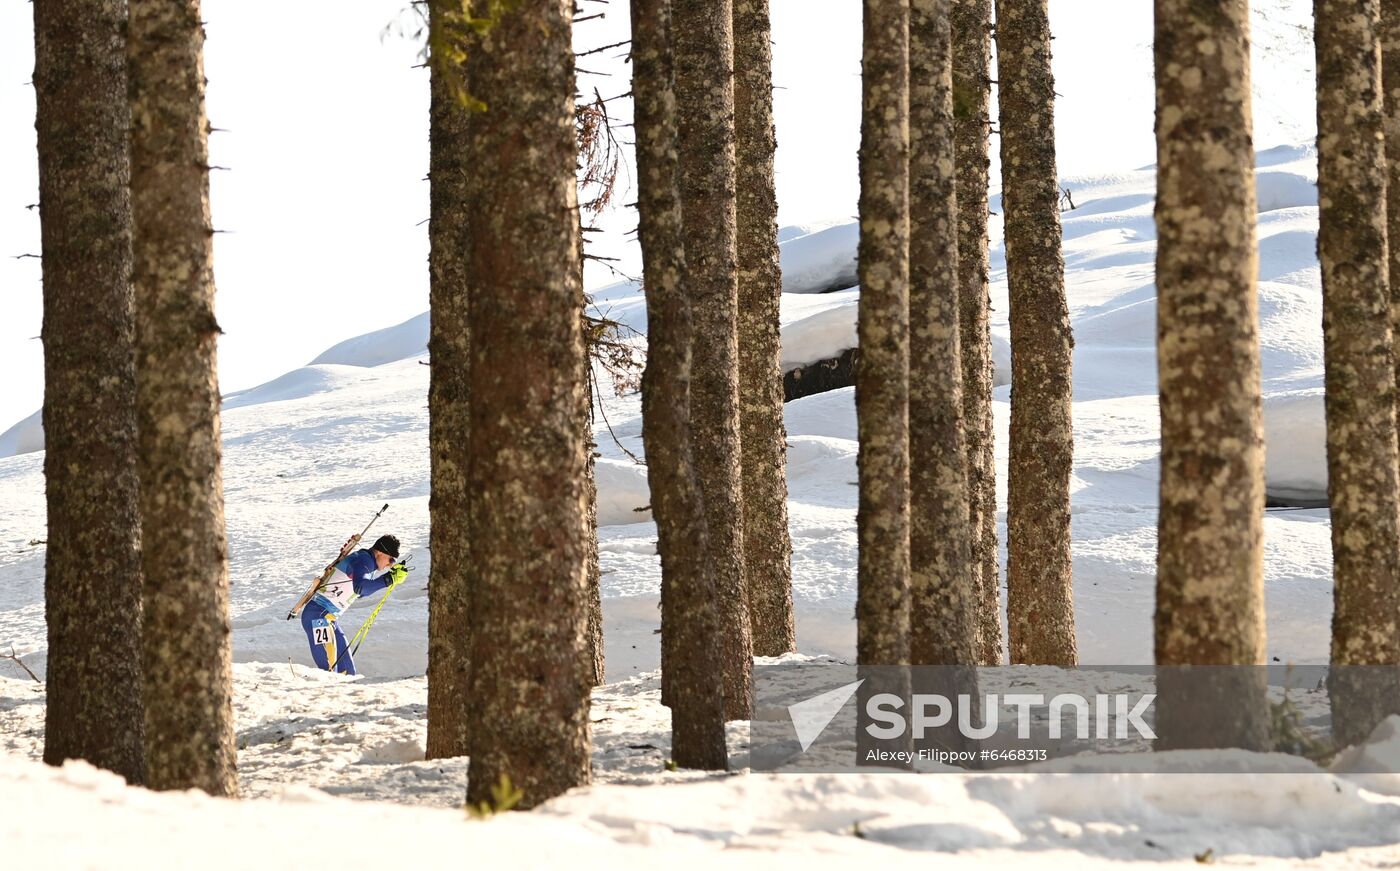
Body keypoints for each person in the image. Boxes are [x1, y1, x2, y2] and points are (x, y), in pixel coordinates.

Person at [300, 533, 407, 675]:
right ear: (380, 552)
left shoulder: (367, 563)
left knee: (348, 672)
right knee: (330, 672)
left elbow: (361, 592)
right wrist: (388, 579)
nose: (391, 564)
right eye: (391, 559)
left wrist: (388, 579)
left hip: (328, 618)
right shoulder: (364, 560)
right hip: (318, 618)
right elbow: (361, 587)